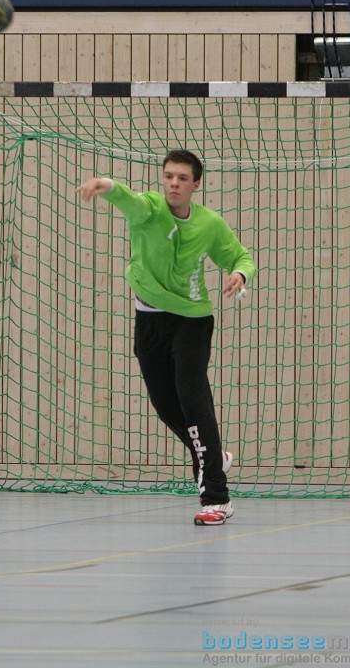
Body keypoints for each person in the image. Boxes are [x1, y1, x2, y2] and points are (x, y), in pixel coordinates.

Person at [75, 149, 255, 525]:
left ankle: (216, 498)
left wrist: (239, 274)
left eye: (183, 178)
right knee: (163, 402)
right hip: (149, 320)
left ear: (196, 184)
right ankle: (214, 453)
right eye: (169, 176)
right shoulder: (151, 211)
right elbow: (127, 198)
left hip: (191, 320)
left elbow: (239, 256)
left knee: (193, 398)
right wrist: (104, 185)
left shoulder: (209, 223)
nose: (174, 183)